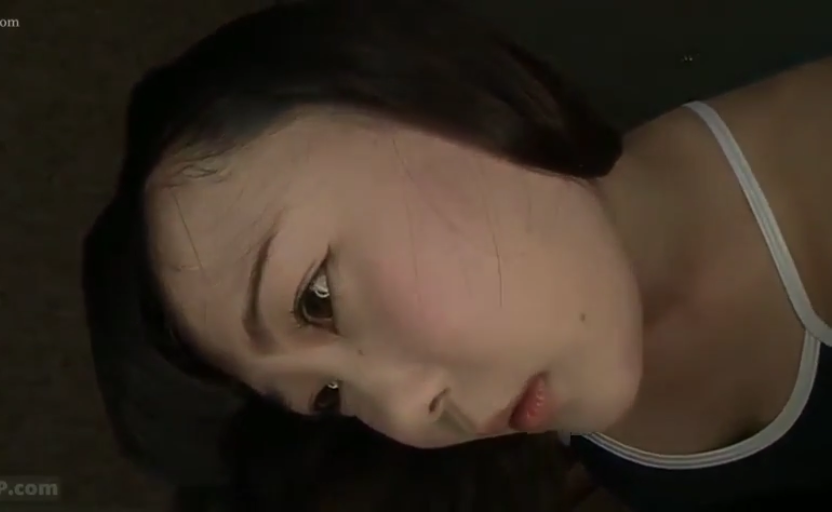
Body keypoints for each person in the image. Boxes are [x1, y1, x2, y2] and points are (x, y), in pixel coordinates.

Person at [81, 0, 832, 510]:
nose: (407, 415)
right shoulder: (605, 445)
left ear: (421, 96)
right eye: (330, 396)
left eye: (317, 298)